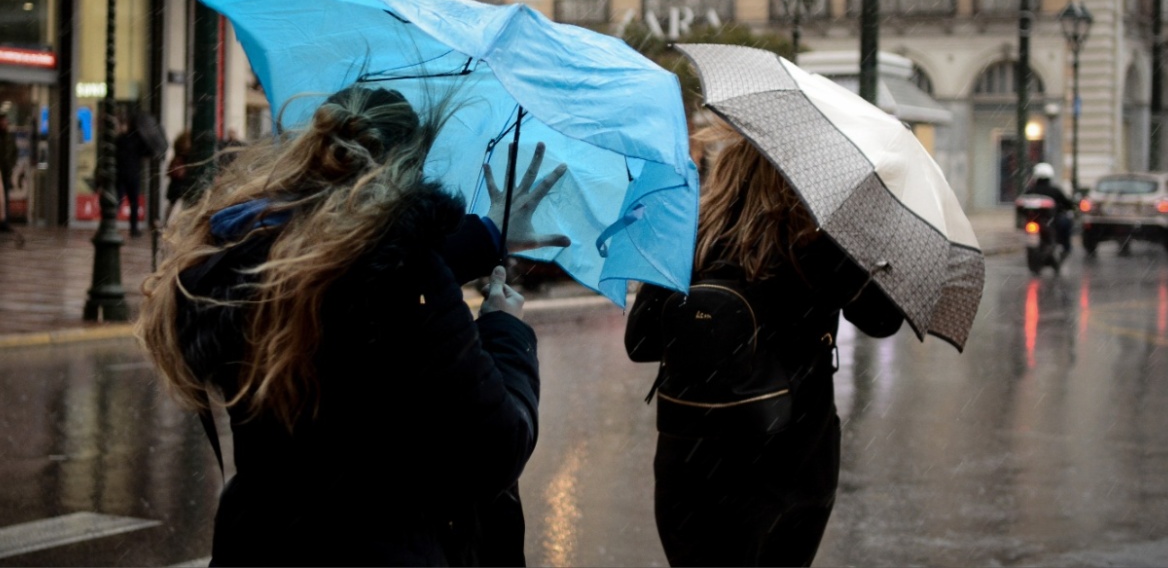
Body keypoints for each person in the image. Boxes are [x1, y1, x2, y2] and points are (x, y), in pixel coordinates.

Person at [137, 85, 566, 566]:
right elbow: (496, 450)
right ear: (409, 166)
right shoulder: (404, 282)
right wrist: (506, 333)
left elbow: (354, 270)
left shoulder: (253, 252)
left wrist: (489, 234)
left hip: (259, 542)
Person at [624, 127, 905, 567]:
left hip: (692, 464)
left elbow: (640, 343)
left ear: (727, 171)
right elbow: (883, 320)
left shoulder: (688, 236)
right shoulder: (815, 244)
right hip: (792, 462)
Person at [1025, 161, 1074, 255]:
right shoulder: (1055, 191)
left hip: (1036, 220)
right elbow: (1067, 204)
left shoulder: (1030, 191)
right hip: (1051, 221)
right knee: (1066, 224)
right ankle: (1065, 247)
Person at [115, 109, 148, 237]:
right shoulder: (138, 140)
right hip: (132, 174)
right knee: (133, 203)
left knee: (120, 200)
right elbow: (146, 153)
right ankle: (133, 229)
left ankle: (113, 224)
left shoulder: (122, 139)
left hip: (123, 174)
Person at [164, 130, 192, 222]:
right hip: (179, 184)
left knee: (173, 205)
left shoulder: (179, 155)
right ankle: (167, 223)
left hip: (178, 184)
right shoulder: (183, 156)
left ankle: (166, 223)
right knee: (176, 205)